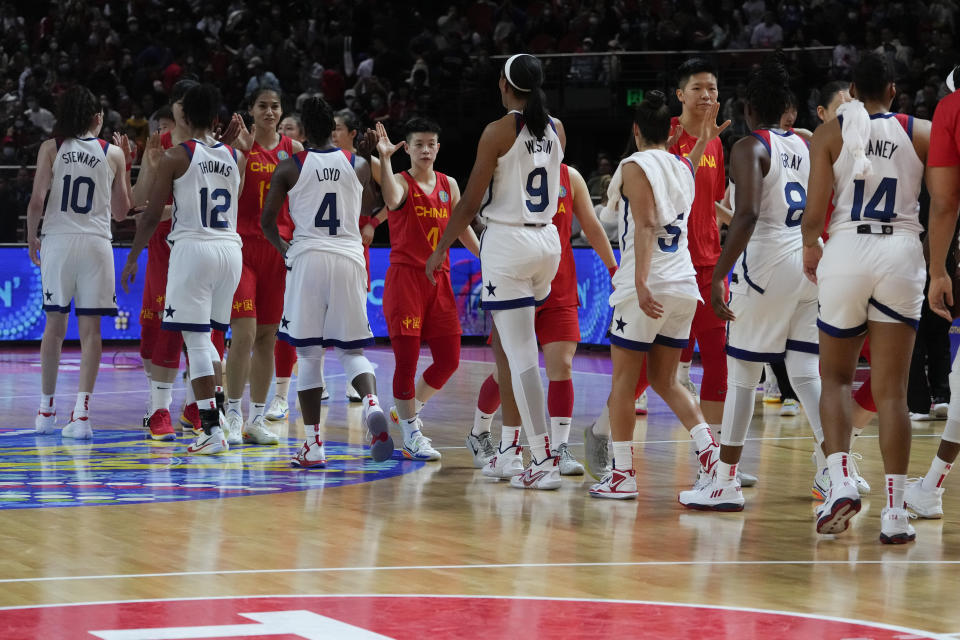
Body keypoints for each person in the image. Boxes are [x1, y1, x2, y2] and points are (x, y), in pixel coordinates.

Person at [678, 61, 823, 510]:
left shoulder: (747, 146)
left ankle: (724, 480)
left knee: (743, 376)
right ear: (788, 111)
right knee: (805, 373)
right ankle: (837, 470)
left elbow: (747, 215)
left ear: (745, 107)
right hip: (810, 257)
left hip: (768, 260)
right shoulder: (806, 142)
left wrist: (721, 273)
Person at [802, 54, 931, 543]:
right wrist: (936, 265)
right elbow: (943, 202)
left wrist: (810, 248)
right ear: (894, 90)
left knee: (834, 378)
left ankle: (838, 484)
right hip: (901, 252)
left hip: (847, 249)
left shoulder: (830, 133)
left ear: (853, 90)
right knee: (892, 392)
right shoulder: (921, 131)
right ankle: (896, 514)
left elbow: (814, 214)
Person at [425, 53, 566, 489]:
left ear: (505, 87)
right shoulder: (558, 128)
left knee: (521, 356)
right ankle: (508, 451)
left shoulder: (498, 131)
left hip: (509, 242)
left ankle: (542, 459)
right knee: (508, 351)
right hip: (547, 242)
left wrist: (441, 248)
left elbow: (468, 202)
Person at [588, 92, 729, 499]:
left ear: (635, 131)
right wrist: (704, 138)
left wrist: (640, 281)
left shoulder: (634, 165)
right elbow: (684, 165)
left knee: (623, 383)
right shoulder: (680, 165)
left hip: (650, 285)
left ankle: (622, 476)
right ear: (669, 130)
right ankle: (710, 453)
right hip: (685, 285)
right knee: (667, 380)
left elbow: (647, 224)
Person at [261, 95, 394, 466]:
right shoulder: (360, 164)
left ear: (302, 130)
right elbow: (367, 209)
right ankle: (371, 405)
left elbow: (266, 222)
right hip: (350, 257)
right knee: (352, 351)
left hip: (308, 257)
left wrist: (284, 248)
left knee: (308, 354)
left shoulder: (289, 166)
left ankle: (313, 445)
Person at [631, 58, 744, 482]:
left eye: (712, 88)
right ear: (681, 95)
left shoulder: (716, 142)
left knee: (718, 359)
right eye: (698, 88)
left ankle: (712, 459)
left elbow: (707, 202)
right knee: (649, 368)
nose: (707, 95)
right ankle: (606, 433)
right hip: (670, 267)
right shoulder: (666, 136)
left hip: (710, 265)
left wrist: (736, 221)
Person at [466, 161, 618, 474]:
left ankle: (560, 446)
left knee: (561, 364)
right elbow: (475, 212)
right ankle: (480, 431)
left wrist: (614, 269)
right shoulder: (505, 170)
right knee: (508, 370)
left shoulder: (570, 176)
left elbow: (590, 224)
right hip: (515, 283)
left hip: (559, 284)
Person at [121, 83, 245, 455]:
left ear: (185, 117)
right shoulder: (234, 155)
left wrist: (131, 256)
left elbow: (151, 215)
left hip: (194, 250)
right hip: (230, 250)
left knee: (195, 340)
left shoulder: (177, 155)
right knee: (214, 341)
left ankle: (209, 429)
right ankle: (218, 418)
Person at [28, 86, 132, 438]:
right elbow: (121, 213)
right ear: (97, 118)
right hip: (96, 245)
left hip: (58, 241)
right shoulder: (114, 153)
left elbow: (37, 200)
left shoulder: (51, 147)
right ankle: (82, 415)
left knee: (53, 329)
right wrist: (127, 166)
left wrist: (32, 235)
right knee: (91, 333)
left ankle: (45, 411)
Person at [376, 117, 480, 461]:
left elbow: (461, 227)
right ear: (407, 148)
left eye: (430, 143)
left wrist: (487, 258)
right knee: (406, 362)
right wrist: (386, 158)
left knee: (449, 359)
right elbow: (391, 200)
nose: (424, 149)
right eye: (418, 144)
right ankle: (410, 433)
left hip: (442, 281)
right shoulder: (401, 183)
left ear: (438, 147)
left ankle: (408, 408)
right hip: (406, 280)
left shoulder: (449, 184)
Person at [219, 88, 303, 446]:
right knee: (244, 333)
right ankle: (233, 414)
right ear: (251, 111)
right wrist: (242, 152)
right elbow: (231, 196)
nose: (269, 112)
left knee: (268, 338)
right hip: (244, 246)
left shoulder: (295, 151)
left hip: (279, 250)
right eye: (263, 106)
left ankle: (256, 417)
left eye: (275, 106)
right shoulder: (239, 149)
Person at [909, 70, 960, 519]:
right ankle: (929, 486)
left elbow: (944, 202)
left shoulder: (952, 108)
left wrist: (938, 269)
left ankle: (930, 486)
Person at [266, 112, 306, 421]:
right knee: (246, 326)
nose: (283, 131)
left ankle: (281, 396)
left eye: (288, 127)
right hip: (250, 243)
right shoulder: (247, 148)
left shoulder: (299, 157)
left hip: (288, 244)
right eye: (282, 128)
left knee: (286, 325)